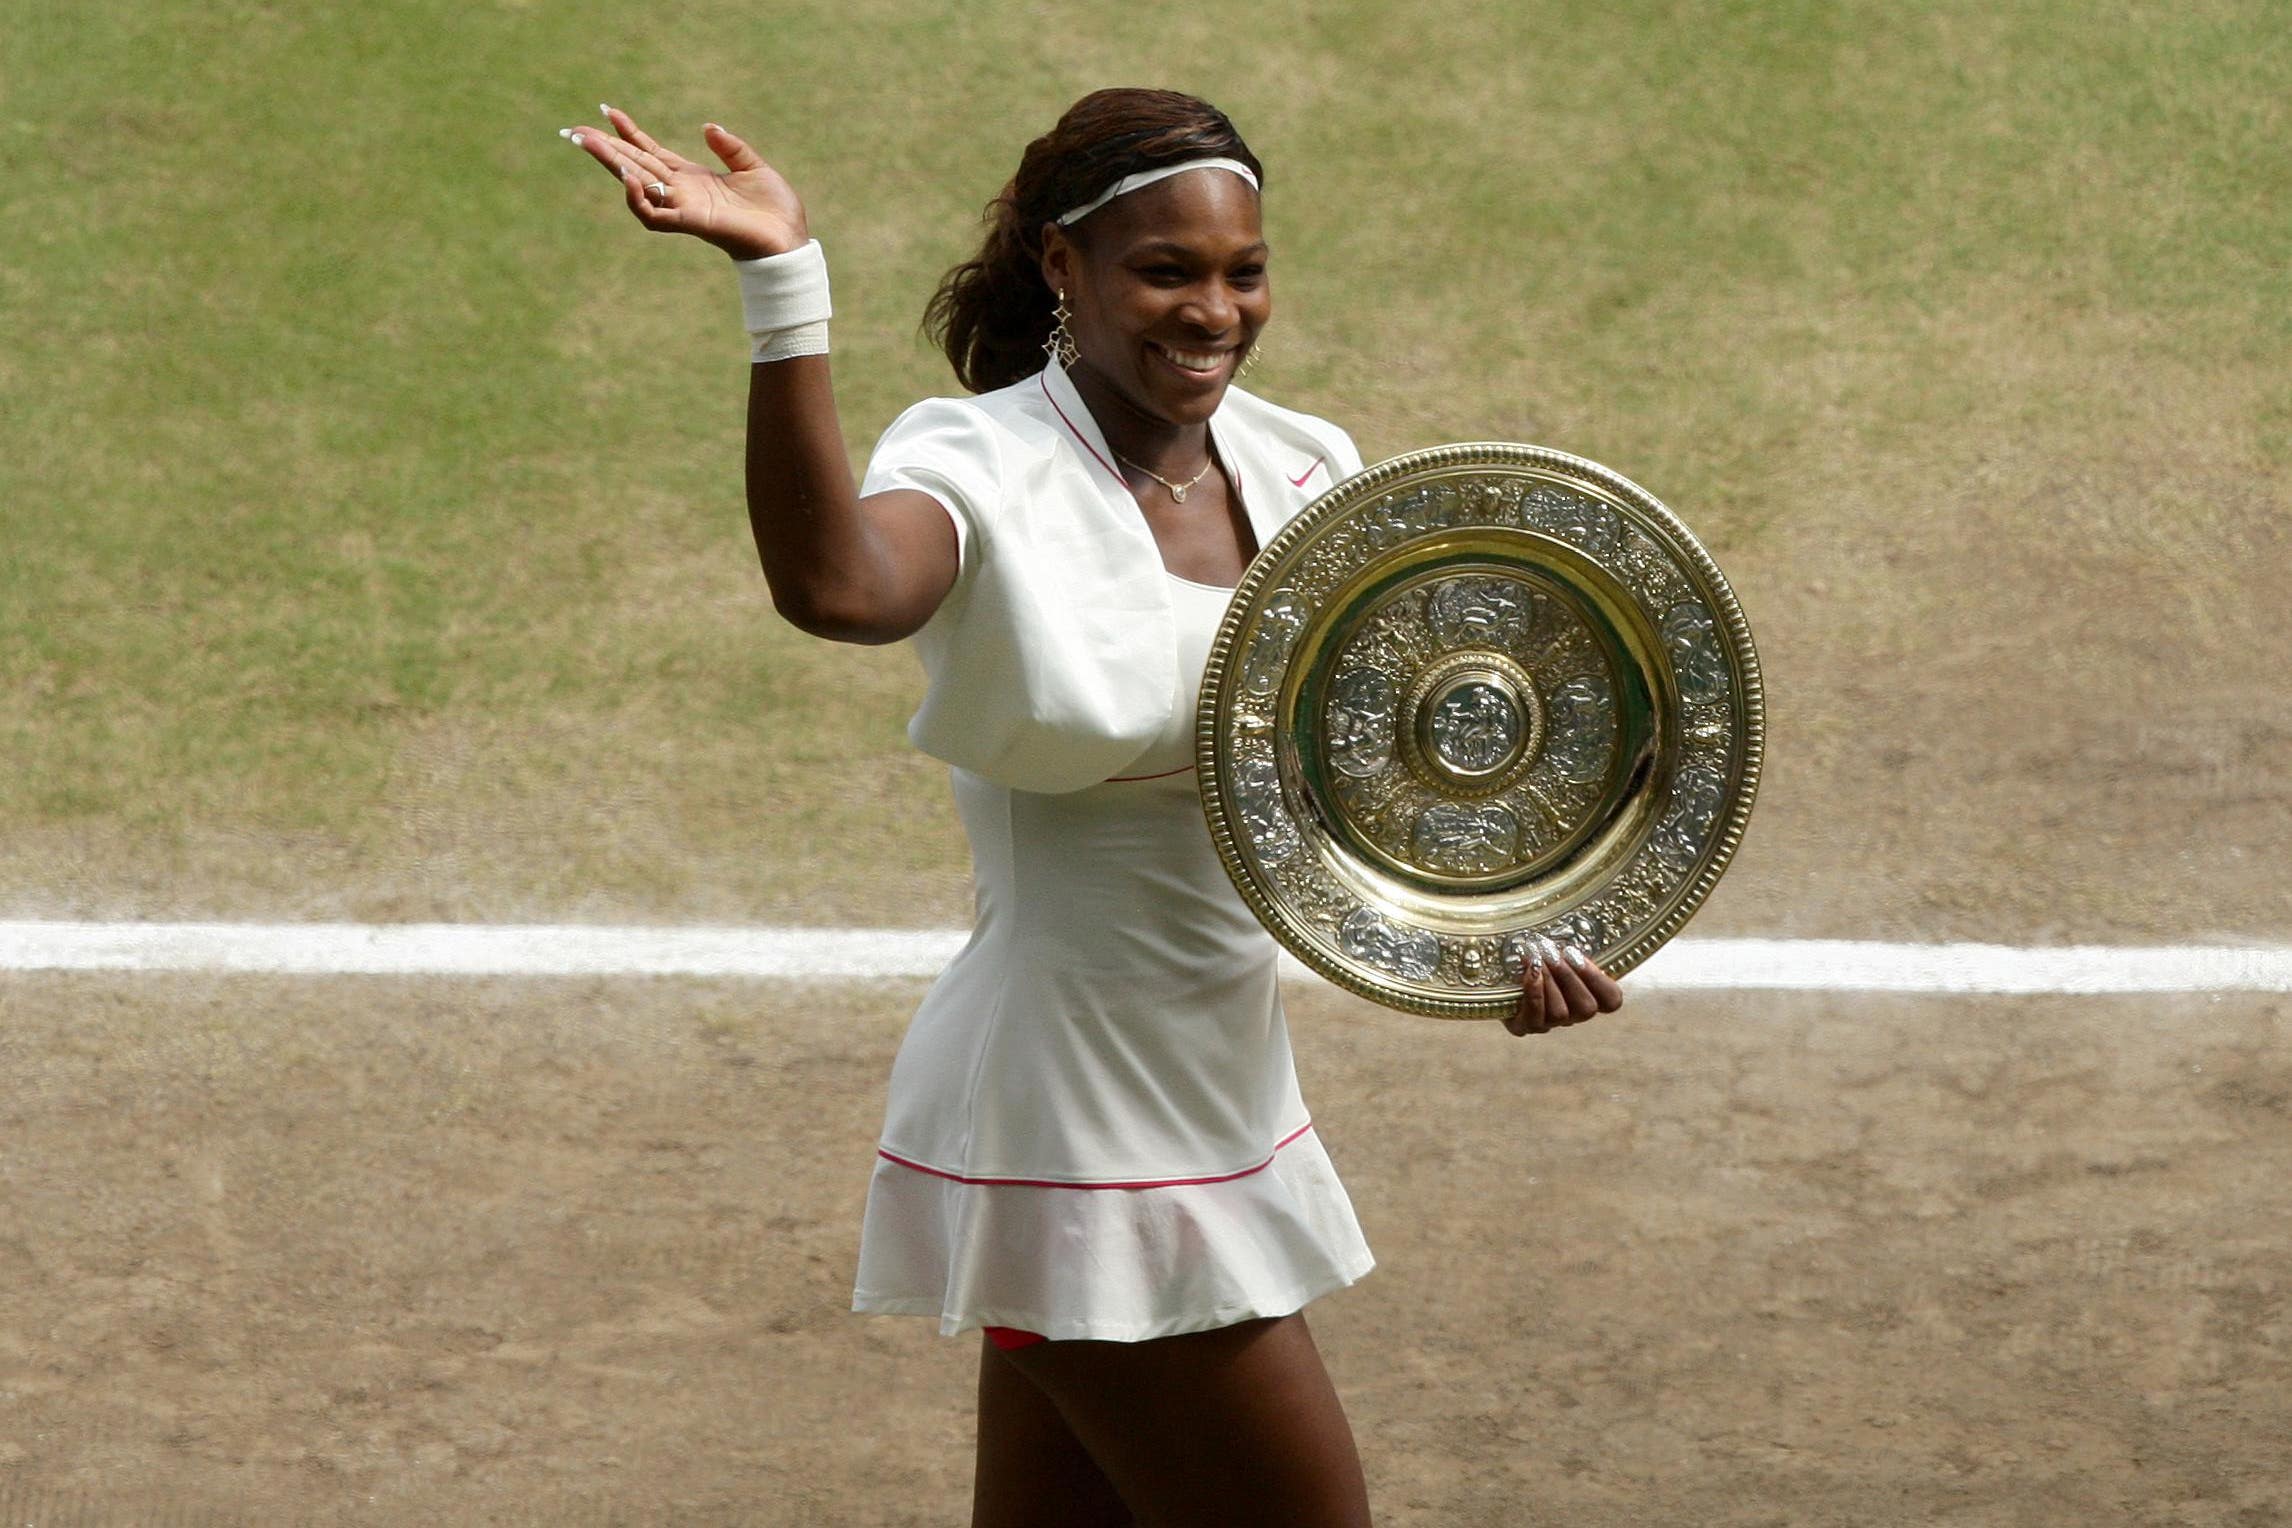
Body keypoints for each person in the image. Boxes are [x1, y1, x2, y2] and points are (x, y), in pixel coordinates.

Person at [562, 88, 1625, 1527]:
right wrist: (783, 289)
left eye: (1242, 270)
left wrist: (1495, 948)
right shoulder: (976, 464)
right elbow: (838, 590)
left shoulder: (1313, 469)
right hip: (1071, 1114)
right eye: (1166, 270)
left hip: (1221, 1088)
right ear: (1064, 270)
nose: (1215, 310)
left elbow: (1365, 794)